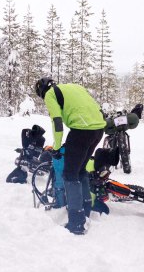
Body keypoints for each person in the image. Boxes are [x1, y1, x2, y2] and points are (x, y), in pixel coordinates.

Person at [34, 77, 106, 234]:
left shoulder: (50, 94)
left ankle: (76, 222)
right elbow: (96, 107)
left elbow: (57, 123)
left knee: (70, 174)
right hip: (98, 130)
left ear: (41, 92)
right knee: (80, 171)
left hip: (81, 131)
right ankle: (86, 209)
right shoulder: (74, 87)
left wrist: (56, 147)